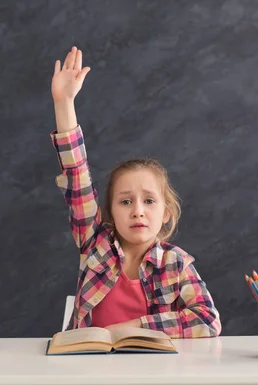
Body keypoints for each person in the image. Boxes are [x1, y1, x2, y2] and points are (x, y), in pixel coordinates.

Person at [49, 46, 221, 338]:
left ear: (166, 213)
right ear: (110, 213)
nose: (137, 210)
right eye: (125, 201)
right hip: (90, 370)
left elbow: (207, 321)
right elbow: (76, 174)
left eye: (149, 201)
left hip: (152, 374)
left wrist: (135, 327)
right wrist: (64, 102)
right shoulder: (95, 244)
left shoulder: (175, 263)